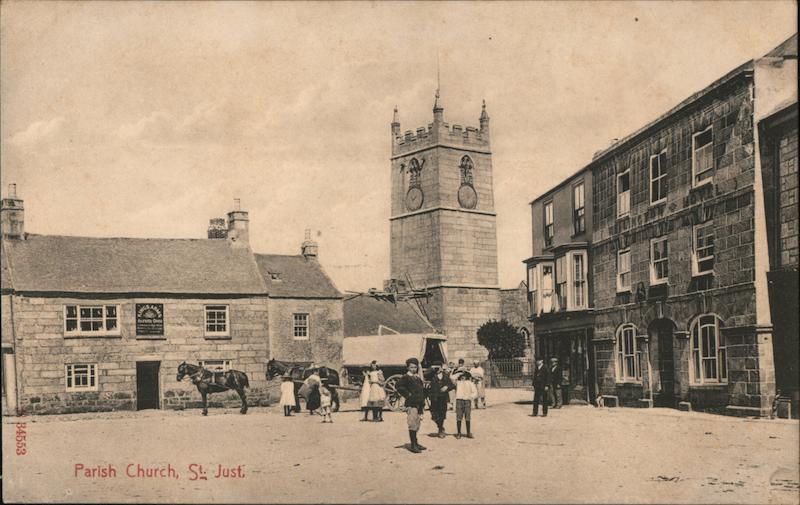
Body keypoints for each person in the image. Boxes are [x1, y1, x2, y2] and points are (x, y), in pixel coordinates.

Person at [395, 357, 427, 453]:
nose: (414, 369)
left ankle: (416, 442)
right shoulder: (406, 377)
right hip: (411, 404)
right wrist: (408, 395)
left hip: (419, 404)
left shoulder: (417, 378)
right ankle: (413, 445)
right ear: (408, 368)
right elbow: (398, 386)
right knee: (412, 424)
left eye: (415, 367)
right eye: (412, 367)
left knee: (417, 424)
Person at [426, 360, 455, 438]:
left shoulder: (445, 375)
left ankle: (440, 429)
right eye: (436, 367)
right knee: (434, 415)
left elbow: (452, 385)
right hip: (434, 398)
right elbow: (425, 374)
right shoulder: (431, 375)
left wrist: (447, 387)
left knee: (442, 414)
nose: (437, 369)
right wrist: (432, 368)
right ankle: (440, 427)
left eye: (439, 367)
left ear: (442, 367)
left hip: (443, 398)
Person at [454, 370, 477, 439]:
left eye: (464, 376)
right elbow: (452, 377)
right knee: (459, 417)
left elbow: (475, 392)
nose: (462, 378)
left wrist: (470, 397)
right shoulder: (457, 383)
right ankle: (458, 433)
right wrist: (458, 373)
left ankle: (468, 432)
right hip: (459, 400)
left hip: (467, 401)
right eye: (461, 376)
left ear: (466, 376)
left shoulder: (470, 383)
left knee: (467, 417)